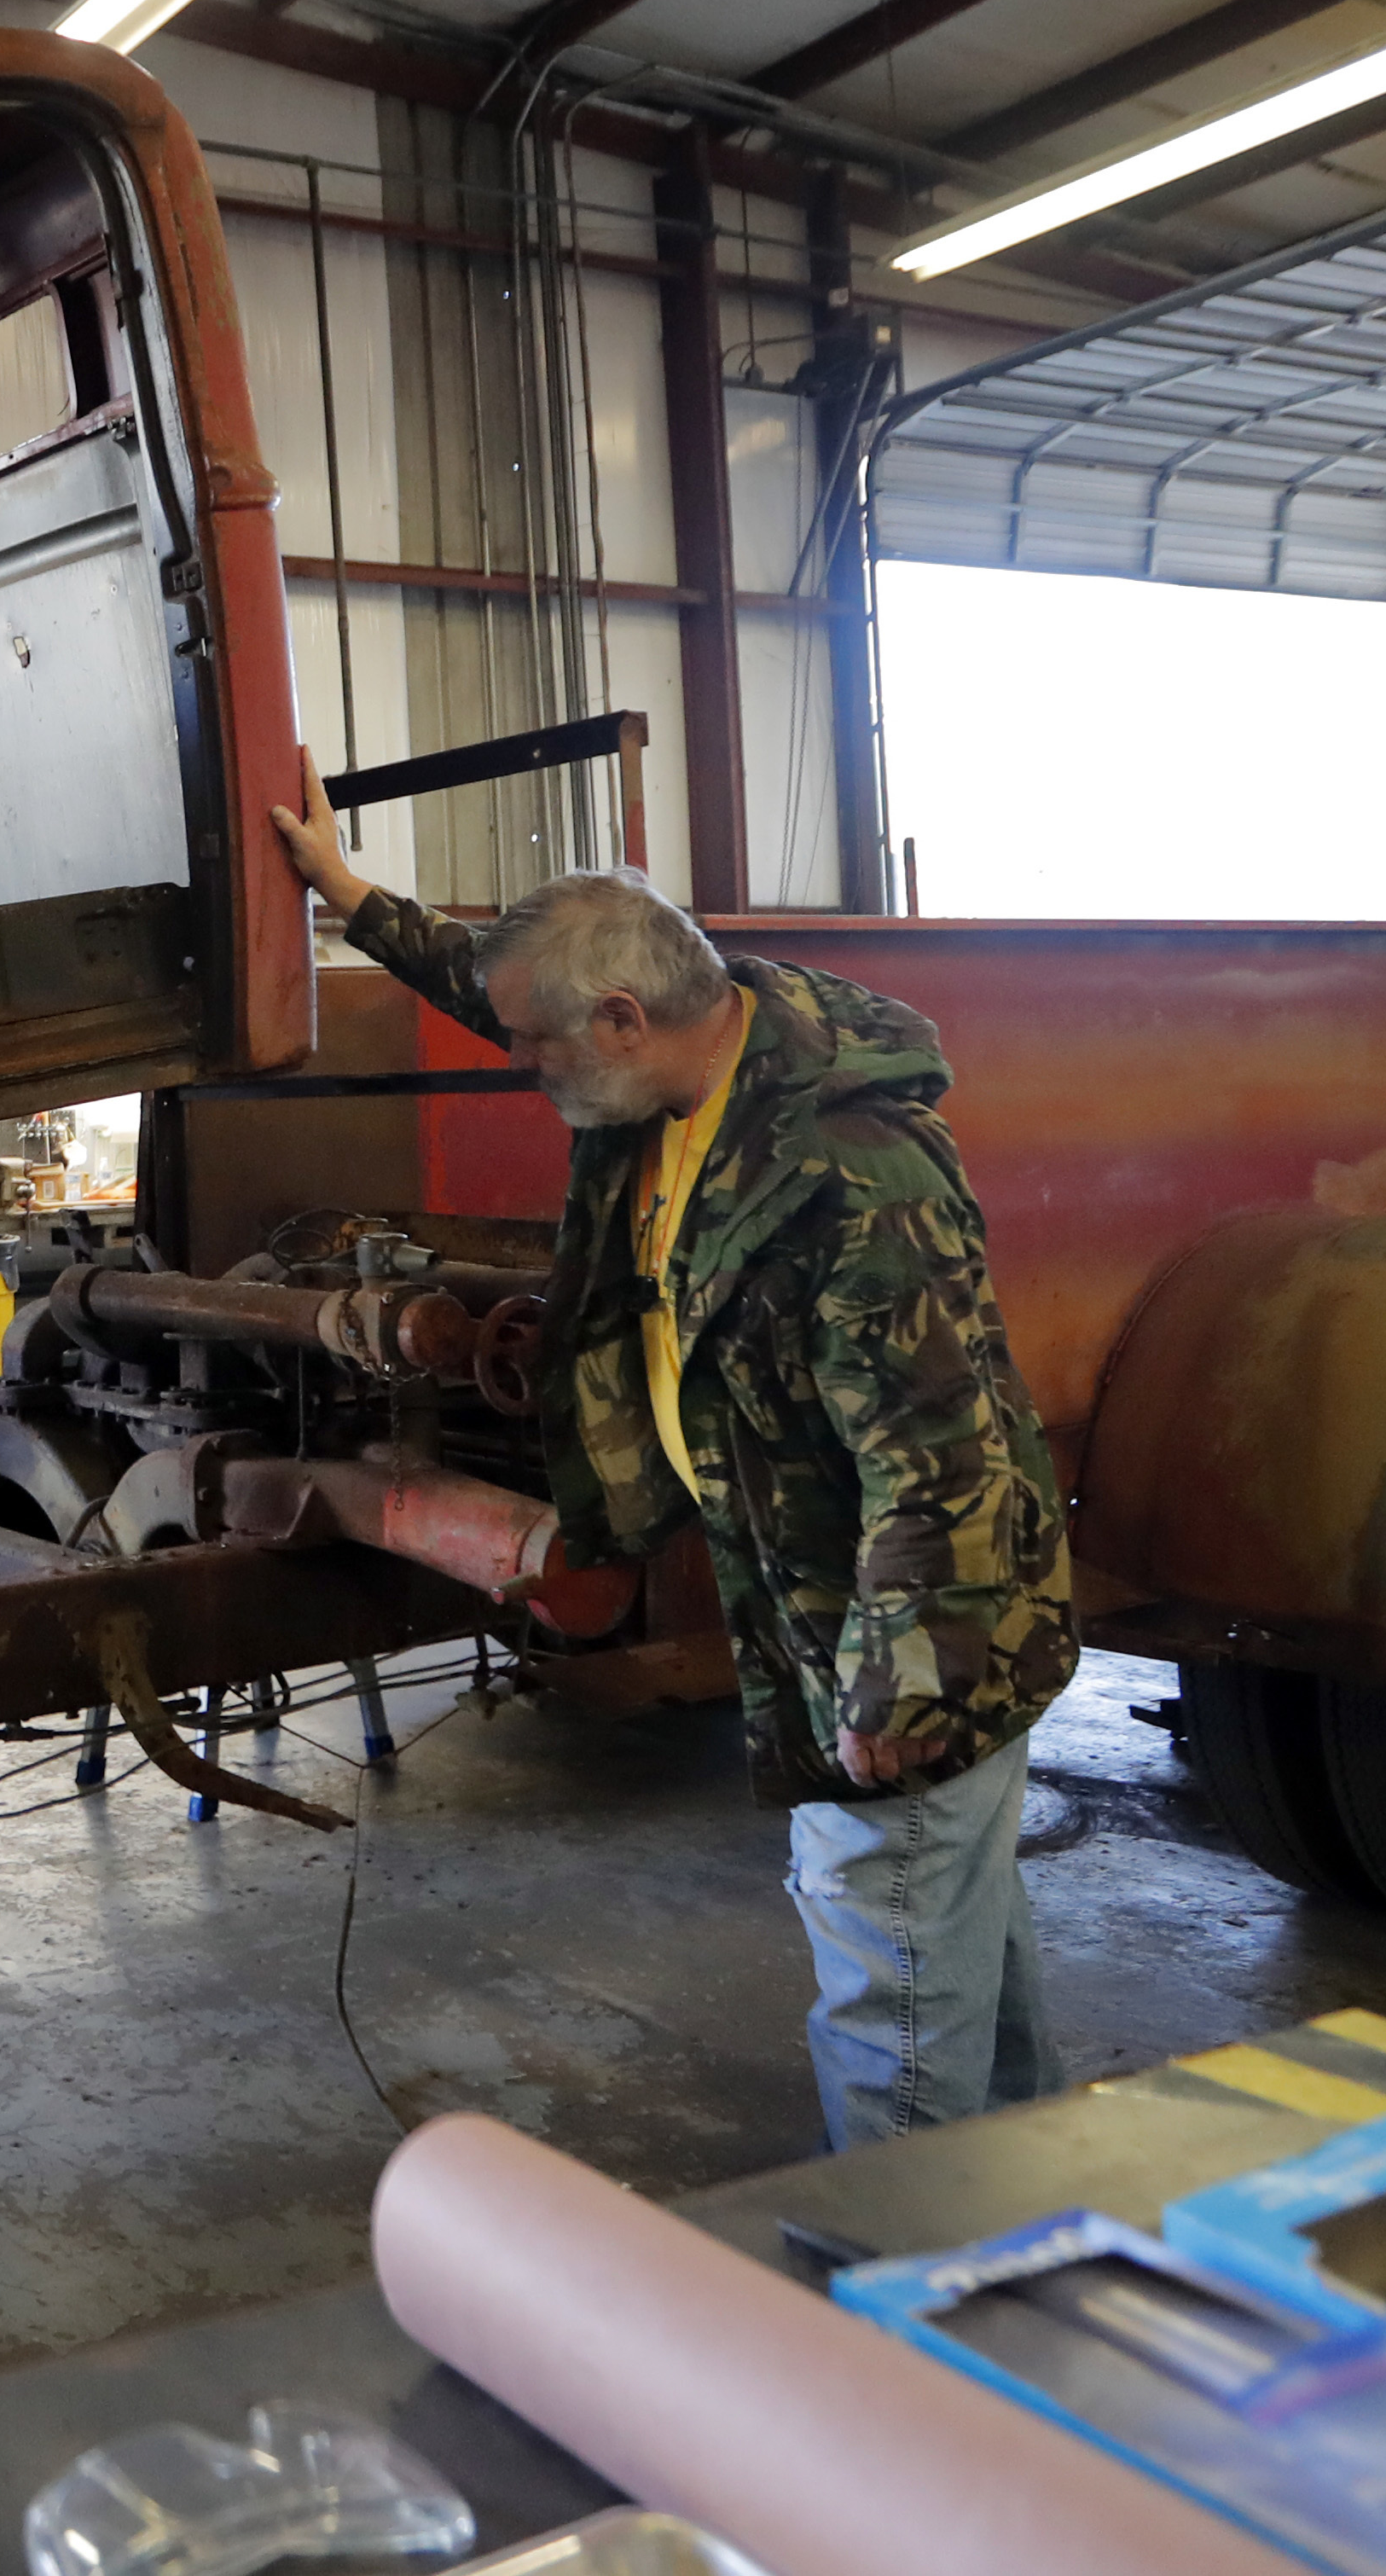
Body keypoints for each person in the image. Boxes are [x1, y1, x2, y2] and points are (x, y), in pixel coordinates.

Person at [270, 770, 1076, 2149]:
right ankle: (1019, 2228)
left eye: (533, 1047)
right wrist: (349, 900)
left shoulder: (844, 1173)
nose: (518, 1063)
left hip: (903, 1631)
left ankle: (887, 2290)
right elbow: (500, 987)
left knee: (883, 1982)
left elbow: (937, 1455)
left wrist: (897, 1684)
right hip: (825, 1595)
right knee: (958, 1962)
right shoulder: (674, 1067)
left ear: (620, 1021)